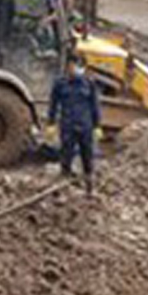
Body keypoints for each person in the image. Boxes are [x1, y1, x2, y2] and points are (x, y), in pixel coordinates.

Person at [50, 60, 102, 196]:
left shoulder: (89, 84)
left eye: (77, 66)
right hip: (67, 126)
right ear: (67, 68)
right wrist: (51, 123)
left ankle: (90, 189)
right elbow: (53, 104)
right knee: (65, 157)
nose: (74, 70)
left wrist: (97, 125)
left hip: (85, 127)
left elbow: (95, 105)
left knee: (87, 157)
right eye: (72, 67)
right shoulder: (60, 84)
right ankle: (63, 190)